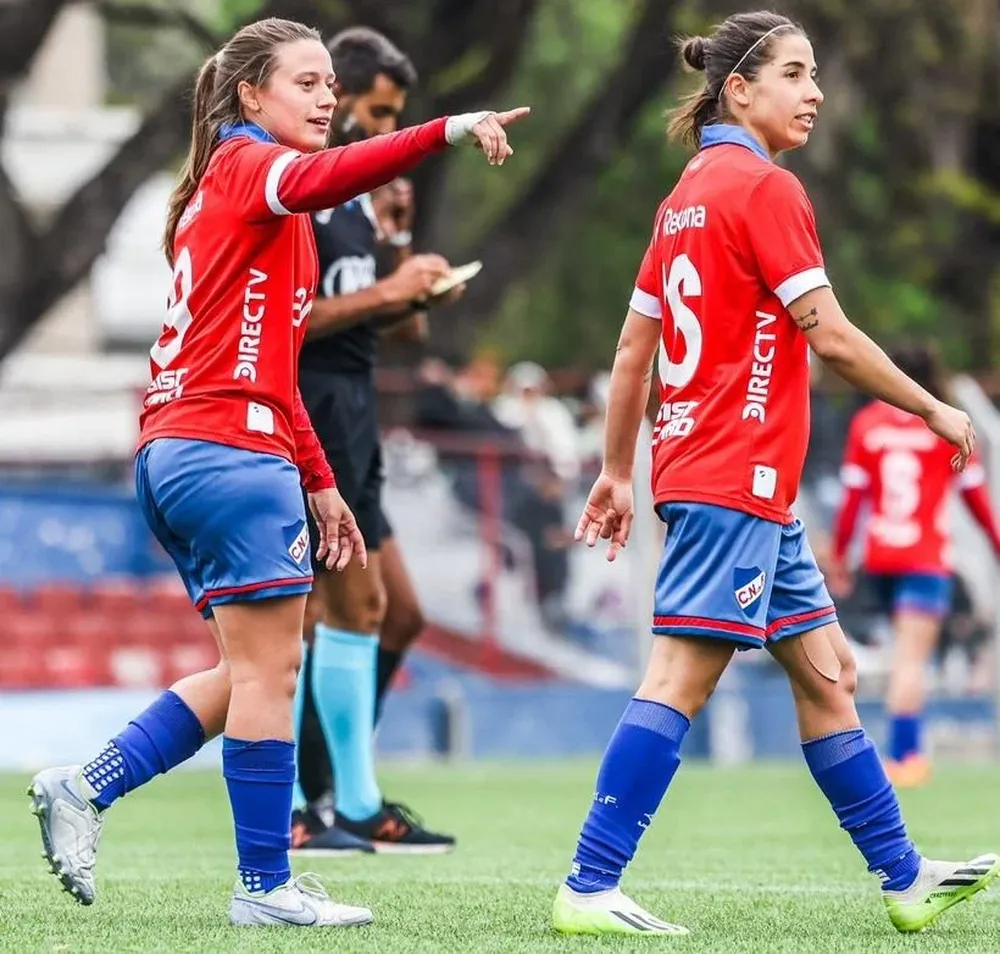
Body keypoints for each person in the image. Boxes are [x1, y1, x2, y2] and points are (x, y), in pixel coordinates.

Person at [26, 16, 527, 927]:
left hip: (196, 446)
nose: (327, 97)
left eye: (330, 83)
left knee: (257, 666)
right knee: (269, 676)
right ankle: (264, 885)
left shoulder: (256, 197)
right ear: (250, 95)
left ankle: (85, 785)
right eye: (306, 82)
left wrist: (323, 480)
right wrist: (449, 128)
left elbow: (274, 364)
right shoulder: (255, 164)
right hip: (222, 449)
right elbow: (333, 176)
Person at [551, 10, 998, 938]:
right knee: (678, 675)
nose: (816, 91)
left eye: (816, 74)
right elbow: (828, 334)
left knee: (829, 676)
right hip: (731, 476)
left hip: (727, 477)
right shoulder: (763, 187)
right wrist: (933, 406)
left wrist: (618, 470)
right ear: (739, 91)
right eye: (796, 74)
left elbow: (635, 347)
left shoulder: (684, 194)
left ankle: (905, 877)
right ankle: (590, 886)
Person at [290, 27, 459, 855]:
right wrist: (389, 288)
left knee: (388, 610)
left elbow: (409, 334)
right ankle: (310, 802)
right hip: (311, 411)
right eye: (377, 110)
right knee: (324, 609)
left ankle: (344, 796)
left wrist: (397, 247)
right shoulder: (300, 194)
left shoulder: (359, 204)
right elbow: (288, 322)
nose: (380, 126)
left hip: (354, 412)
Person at [829, 342, 1000, 787]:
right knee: (910, 662)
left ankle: (881, 751)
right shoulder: (945, 424)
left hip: (879, 556)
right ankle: (905, 757)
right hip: (925, 558)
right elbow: (976, 501)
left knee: (890, 656)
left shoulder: (867, 423)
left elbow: (852, 501)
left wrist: (842, 556)